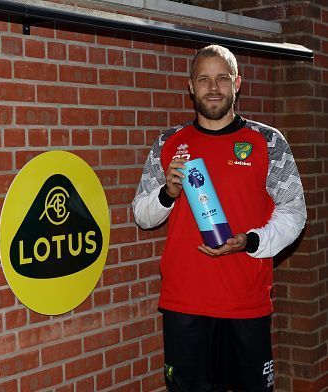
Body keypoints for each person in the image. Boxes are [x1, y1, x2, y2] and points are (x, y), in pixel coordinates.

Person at [131, 44, 306, 392]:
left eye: (222, 78)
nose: (214, 87)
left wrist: (251, 240)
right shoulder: (169, 144)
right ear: (191, 87)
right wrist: (168, 193)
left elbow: (294, 212)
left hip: (246, 302)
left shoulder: (267, 142)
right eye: (204, 79)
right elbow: (141, 214)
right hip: (185, 302)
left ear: (237, 83)